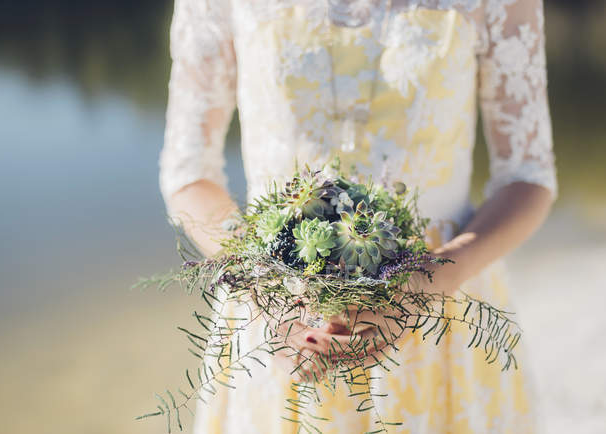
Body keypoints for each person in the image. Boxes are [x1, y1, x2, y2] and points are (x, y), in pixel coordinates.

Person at [159, 0, 556, 432]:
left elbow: (527, 176)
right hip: (279, 318)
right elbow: (189, 170)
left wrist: (428, 283)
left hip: (444, 315)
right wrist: (264, 286)